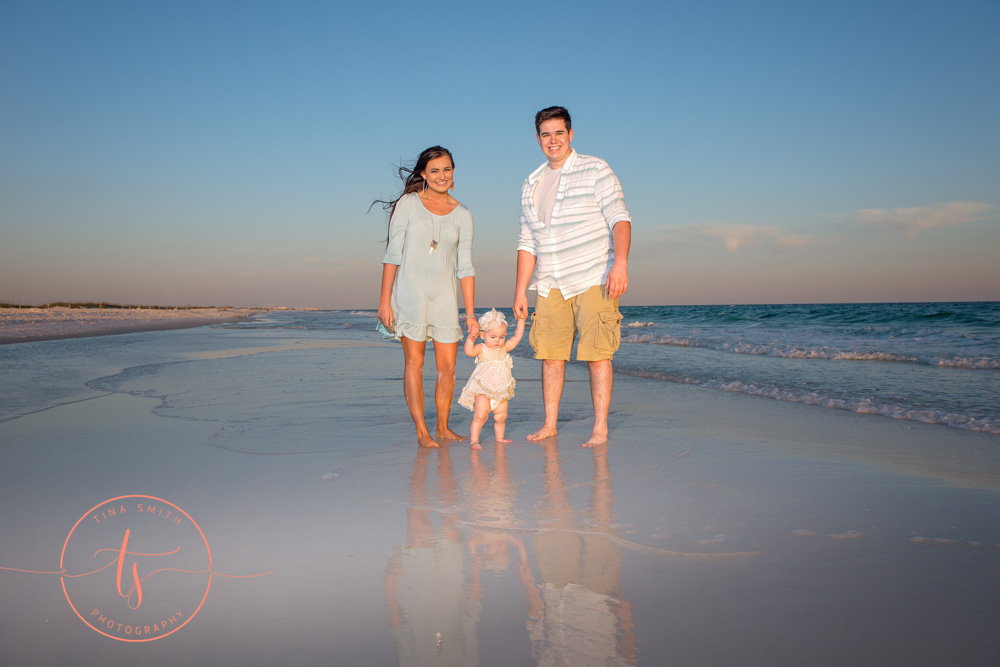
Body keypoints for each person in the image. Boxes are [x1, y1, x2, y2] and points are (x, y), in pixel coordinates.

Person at [512, 106, 632, 447]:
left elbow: (619, 218)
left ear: (571, 135)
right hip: (550, 281)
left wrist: (620, 263)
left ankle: (600, 428)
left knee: (597, 354)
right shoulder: (531, 183)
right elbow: (526, 241)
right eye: (546, 135)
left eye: (559, 133)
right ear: (538, 139)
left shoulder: (596, 169)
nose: (553, 141)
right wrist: (521, 290)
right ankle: (550, 423)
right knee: (550, 355)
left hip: (594, 276)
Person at [376, 146, 477, 448]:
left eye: (446, 169)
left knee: (448, 368)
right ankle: (422, 431)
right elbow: (392, 255)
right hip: (410, 292)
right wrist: (384, 301)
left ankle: (443, 427)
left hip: (445, 296)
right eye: (434, 171)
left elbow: (466, 266)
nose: (441, 176)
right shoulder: (409, 204)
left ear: (453, 172)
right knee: (415, 363)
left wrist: (470, 313)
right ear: (423, 174)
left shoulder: (463, 215)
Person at [458, 308, 526, 449]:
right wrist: (471, 339)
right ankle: (474, 441)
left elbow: (516, 338)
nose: (497, 341)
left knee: (501, 416)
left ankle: (499, 437)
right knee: (480, 416)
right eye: (493, 337)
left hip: (500, 391)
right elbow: (469, 352)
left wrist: (521, 321)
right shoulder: (481, 348)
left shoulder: (504, 348)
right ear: (483, 335)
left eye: (501, 337)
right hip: (483, 389)